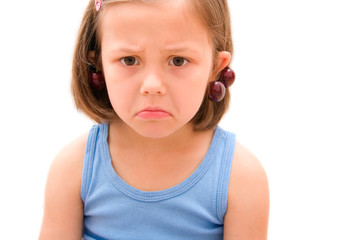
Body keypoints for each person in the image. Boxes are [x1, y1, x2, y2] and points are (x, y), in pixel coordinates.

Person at [39, 0, 269, 239]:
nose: (152, 86)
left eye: (178, 60)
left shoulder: (240, 177)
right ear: (98, 64)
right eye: (129, 60)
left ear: (215, 67)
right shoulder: (74, 167)